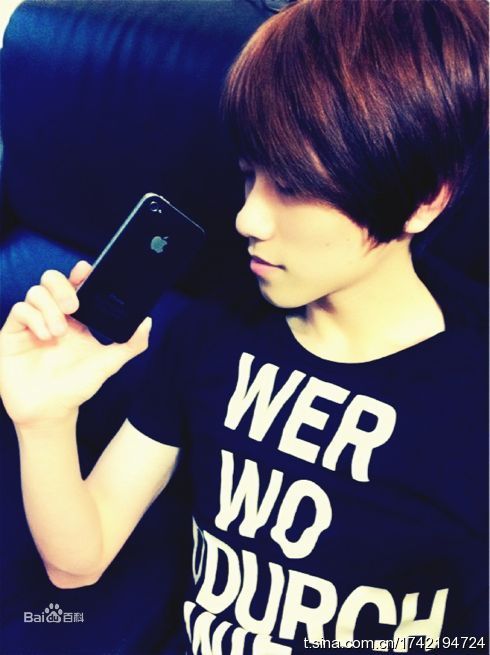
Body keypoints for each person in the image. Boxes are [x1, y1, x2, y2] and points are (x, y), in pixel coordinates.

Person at [0, 0, 487, 652]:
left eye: (295, 186)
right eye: (250, 175)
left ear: (424, 199)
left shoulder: (475, 390)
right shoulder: (212, 329)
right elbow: (78, 562)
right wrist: (44, 422)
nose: (248, 219)